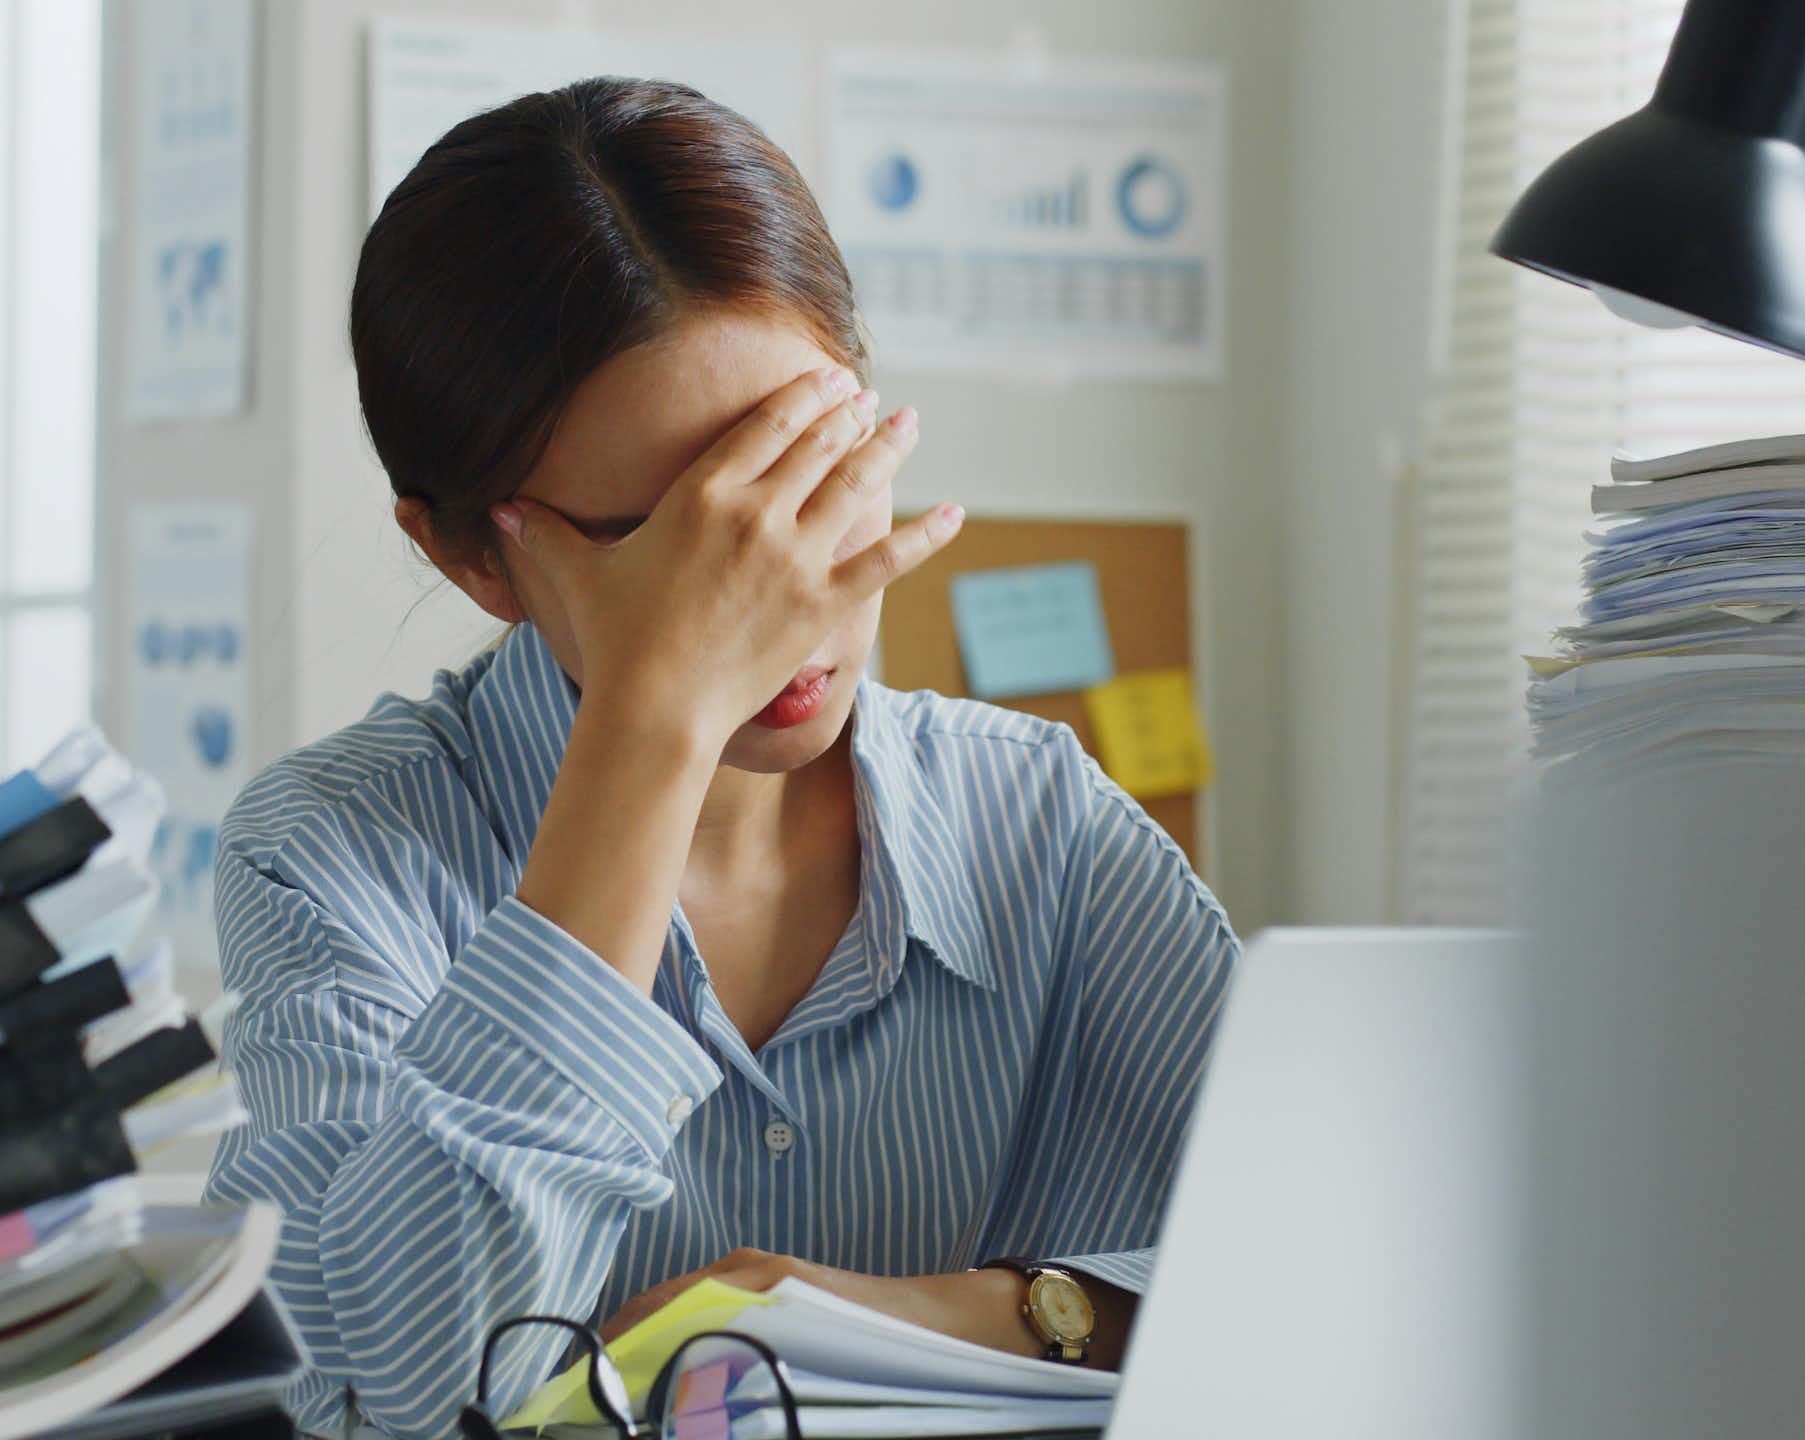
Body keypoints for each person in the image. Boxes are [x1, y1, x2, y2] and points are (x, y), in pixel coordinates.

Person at [204, 76, 1237, 1437]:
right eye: (668, 541)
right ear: (469, 555)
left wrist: (959, 1309)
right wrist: (656, 721)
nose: (779, 584)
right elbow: (403, 1389)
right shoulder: (332, 855)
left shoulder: (1042, 825)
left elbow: (1350, 1272)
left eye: (808, 473)